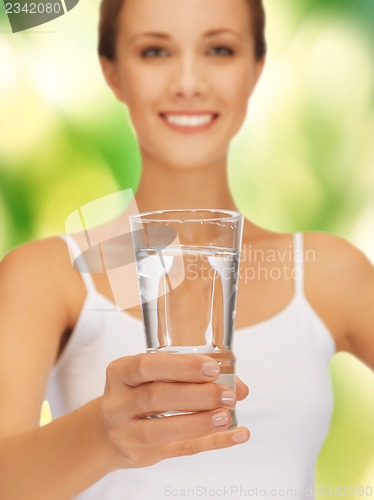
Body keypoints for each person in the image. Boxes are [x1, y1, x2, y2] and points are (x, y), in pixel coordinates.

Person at [0, 0, 373, 498]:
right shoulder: (49, 276)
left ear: (256, 68)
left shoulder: (327, 271)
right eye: (155, 51)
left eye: (219, 49)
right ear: (111, 71)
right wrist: (103, 435)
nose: (188, 82)